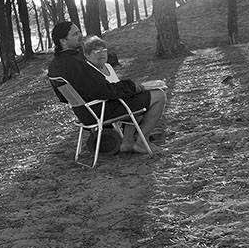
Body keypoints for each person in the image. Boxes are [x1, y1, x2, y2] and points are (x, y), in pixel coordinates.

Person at [48, 21, 166, 154]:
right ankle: (140, 142)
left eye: (79, 32)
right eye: (75, 34)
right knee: (159, 95)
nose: (80, 36)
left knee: (131, 95)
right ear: (63, 40)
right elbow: (104, 91)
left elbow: (63, 98)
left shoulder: (54, 65)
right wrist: (136, 87)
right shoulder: (75, 63)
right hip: (100, 110)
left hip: (84, 113)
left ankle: (127, 142)